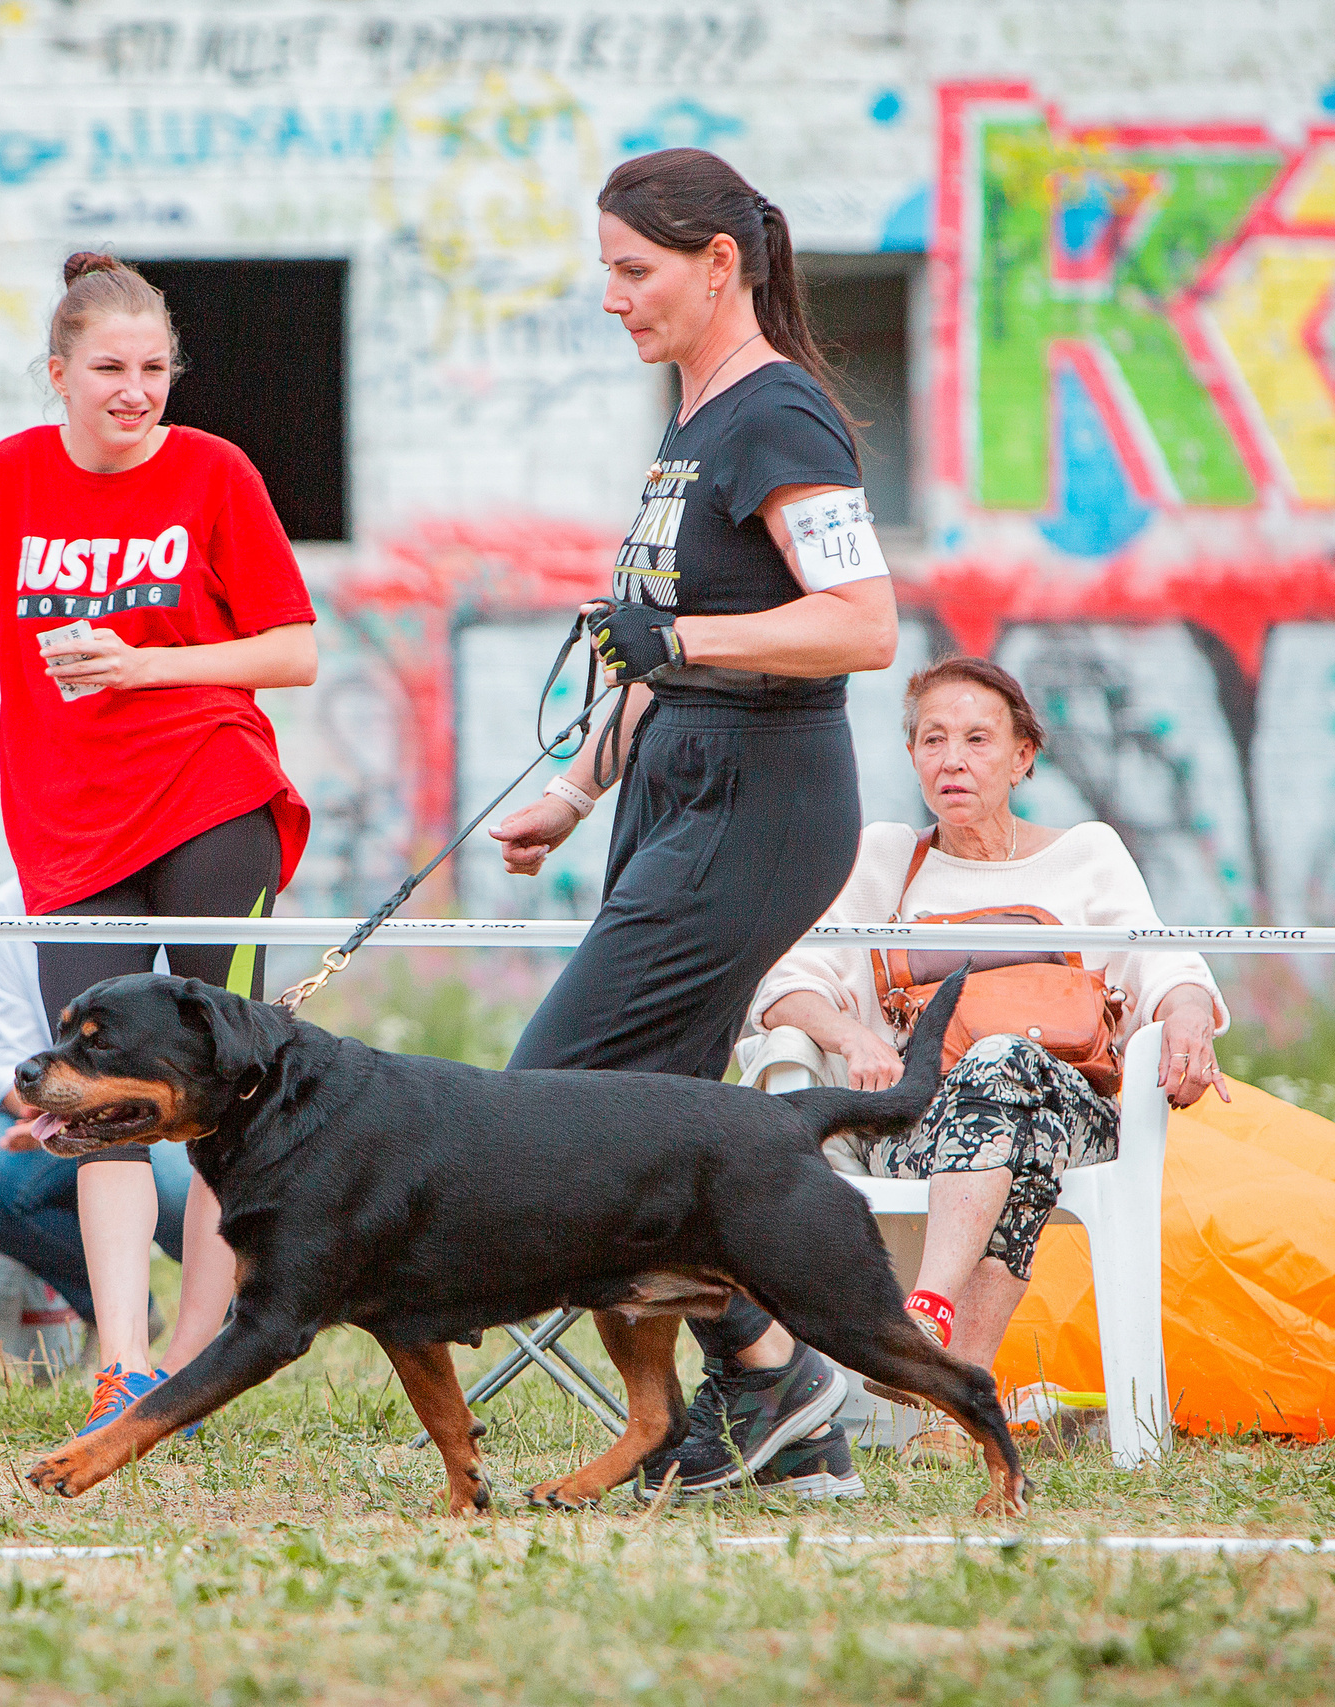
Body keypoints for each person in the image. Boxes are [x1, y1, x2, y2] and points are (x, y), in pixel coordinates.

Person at [0, 251, 317, 1439]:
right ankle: (123, 1362)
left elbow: (292, 649)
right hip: (69, 823)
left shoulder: (214, 473)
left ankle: (197, 1360)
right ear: (59, 374)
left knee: (217, 1089)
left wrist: (150, 663)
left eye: (153, 369)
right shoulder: (12, 477)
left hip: (209, 794)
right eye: (109, 369)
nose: (135, 391)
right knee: (91, 1096)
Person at [484, 149, 900, 1496]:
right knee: (659, 1120)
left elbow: (862, 625)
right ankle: (792, 1424)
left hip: (763, 804)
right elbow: (664, 653)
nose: (612, 296)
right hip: (681, 788)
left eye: (634, 270)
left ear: (721, 266)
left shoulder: (776, 416)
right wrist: (578, 784)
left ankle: (778, 1364)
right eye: (608, 268)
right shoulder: (692, 415)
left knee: (557, 1104)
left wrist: (685, 633)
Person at [740, 655, 1230, 1457]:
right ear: (912, 757)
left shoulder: (1087, 854)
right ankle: (956, 1404)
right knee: (1017, 1132)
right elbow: (783, 983)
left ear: (1023, 756)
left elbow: (1164, 964)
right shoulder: (889, 859)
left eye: (976, 738)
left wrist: (1184, 1014)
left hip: (1074, 1108)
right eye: (933, 739)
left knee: (1007, 1064)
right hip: (920, 1121)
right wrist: (849, 1033)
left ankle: (922, 1321)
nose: (952, 759)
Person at [0, 874, 212, 1366]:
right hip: (45, 1115)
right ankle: (124, 1315)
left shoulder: (181, 885)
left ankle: (225, 1313)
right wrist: (49, 1113)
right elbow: (3, 1058)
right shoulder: (11, 900)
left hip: (158, 1116)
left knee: (184, 1180)